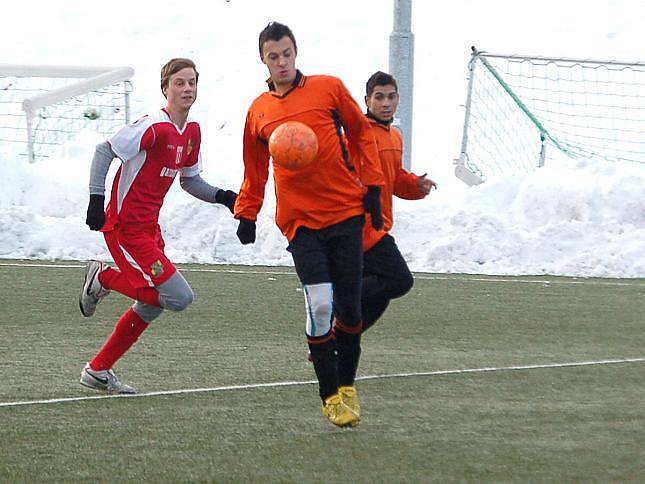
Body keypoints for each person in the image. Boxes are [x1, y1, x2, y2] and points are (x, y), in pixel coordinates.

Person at [234, 22, 385, 427]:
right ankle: (329, 395)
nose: (281, 62)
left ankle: (348, 384)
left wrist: (371, 187)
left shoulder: (329, 89)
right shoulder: (258, 111)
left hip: (345, 214)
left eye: (286, 54)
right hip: (300, 223)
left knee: (350, 310)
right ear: (263, 60)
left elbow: (361, 134)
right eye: (272, 56)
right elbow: (254, 167)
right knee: (320, 304)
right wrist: (247, 211)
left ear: (296, 52)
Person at [79, 58, 238, 394]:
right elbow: (103, 151)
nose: (187, 88)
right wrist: (96, 199)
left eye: (192, 82)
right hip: (126, 230)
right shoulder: (153, 126)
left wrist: (224, 197)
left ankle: (98, 370)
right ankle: (103, 277)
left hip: (149, 231)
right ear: (165, 88)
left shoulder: (191, 132)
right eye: (179, 83)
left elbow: (190, 182)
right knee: (179, 297)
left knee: (152, 304)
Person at [358, 71, 436, 331]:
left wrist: (415, 185)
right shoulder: (357, 134)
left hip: (380, 225)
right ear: (367, 100)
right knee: (400, 280)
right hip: (360, 227)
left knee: (381, 292)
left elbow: (393, 179)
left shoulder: (394, 136)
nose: (385, 103)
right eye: (379, 97)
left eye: (390, 96)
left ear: (398, 99)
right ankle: (336, 298)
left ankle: (335, 338)